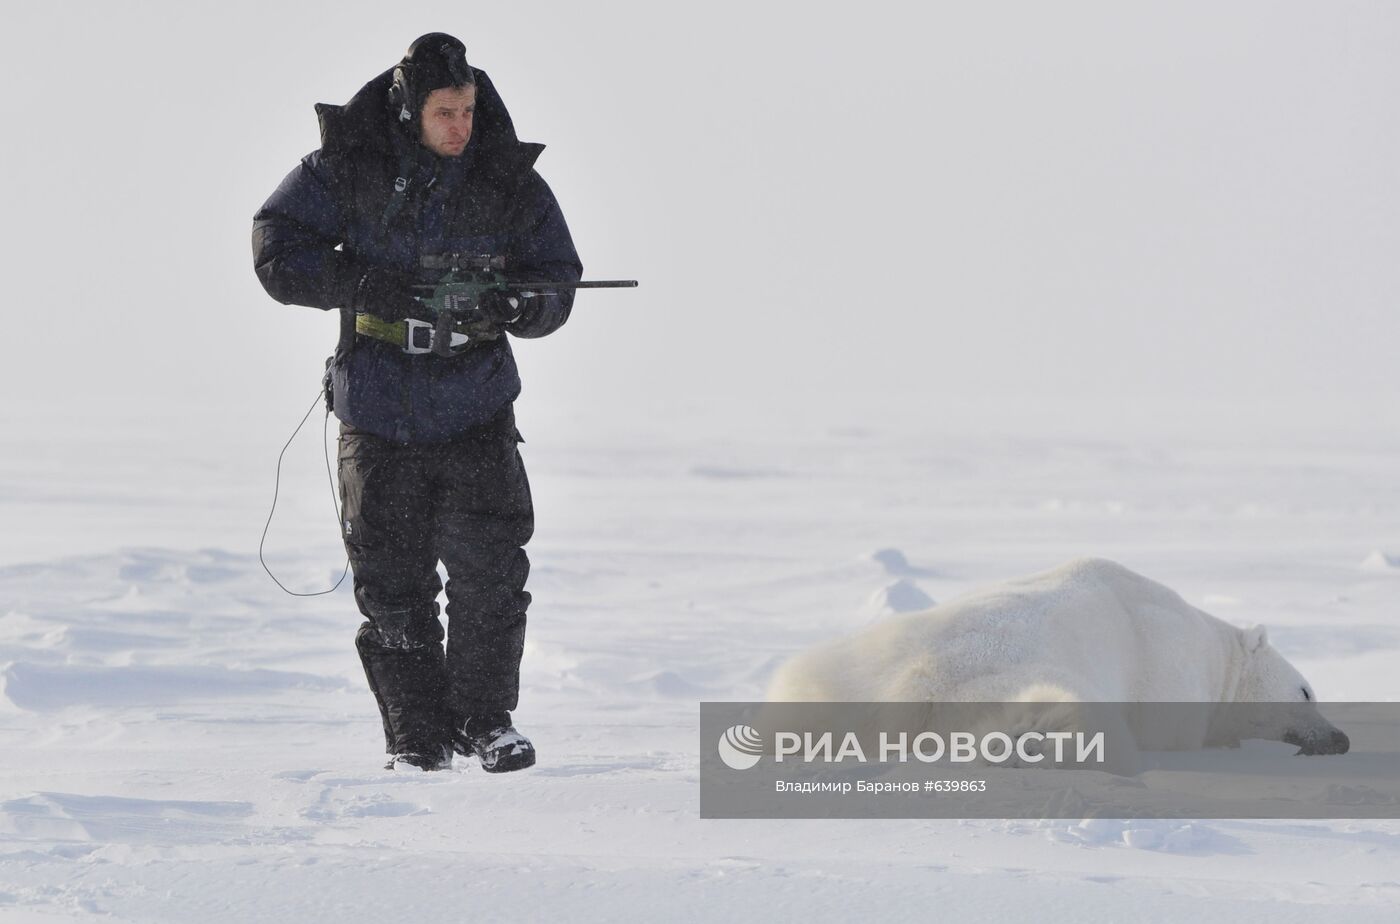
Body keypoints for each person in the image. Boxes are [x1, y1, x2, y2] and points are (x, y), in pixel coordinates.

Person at [251, 33, 582, 772]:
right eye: (444, 113)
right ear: (410, 112)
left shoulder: (506, 177)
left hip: (476, 409)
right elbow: (275, 248)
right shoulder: (345, 168)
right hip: (377, 411)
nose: (459, 127)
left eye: (466, 109)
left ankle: (486, 723)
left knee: (492, 577)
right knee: (393, 587)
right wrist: (360, 285)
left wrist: (527, 305)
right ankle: (417, 740)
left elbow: (557, 273)